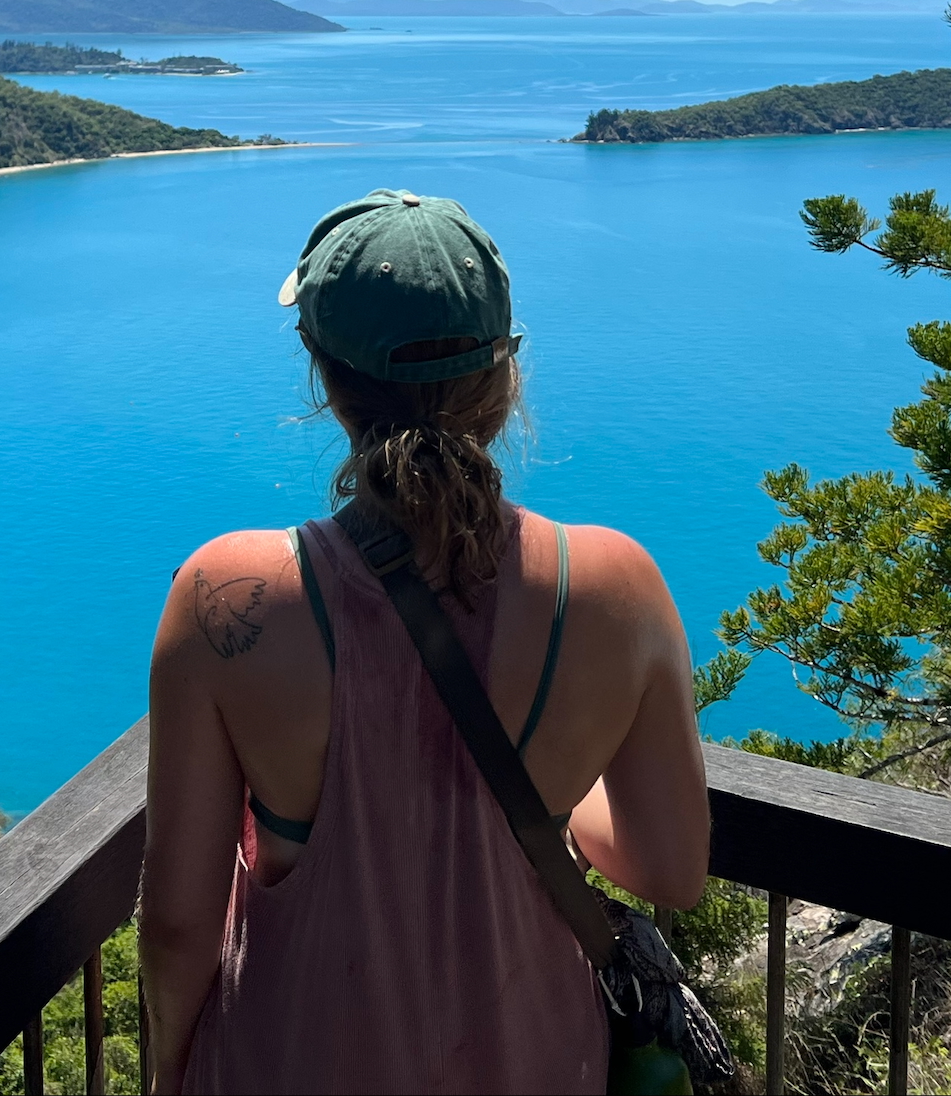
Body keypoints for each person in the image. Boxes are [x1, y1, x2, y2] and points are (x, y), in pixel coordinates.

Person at [142, 190, 713, 1095]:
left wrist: (169, 1071)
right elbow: (673, 870)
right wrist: (545, 797)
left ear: (324, 375)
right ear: (505, 372)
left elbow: (178, 923)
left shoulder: (226, 596)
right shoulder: (614, 587)